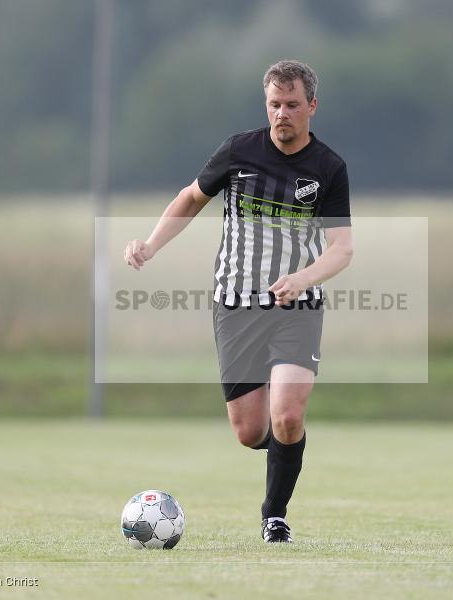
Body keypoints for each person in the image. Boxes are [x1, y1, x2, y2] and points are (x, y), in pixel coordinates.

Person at [124, 60, 353, 543]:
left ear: (311, 106)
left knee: (288, 414)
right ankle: (286, 446)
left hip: (298, 305)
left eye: (292, 105)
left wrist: (303, 278)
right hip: (235, 304)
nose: (282, 114)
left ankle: (275, 514)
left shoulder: (328, 168)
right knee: (252, 431)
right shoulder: (239, 151)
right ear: (265, 105)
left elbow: (341, 249)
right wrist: (150, 244)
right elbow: (190, 198)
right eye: (274, 104)